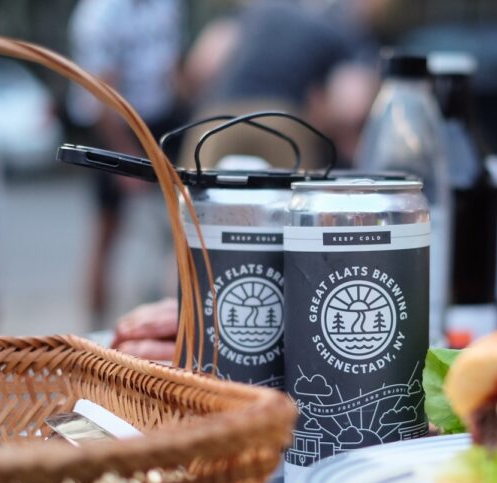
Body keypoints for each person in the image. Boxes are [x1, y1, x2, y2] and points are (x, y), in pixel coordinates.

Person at [68, 0, 186, 327]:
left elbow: (172, 69)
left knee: (180, 224)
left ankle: (175, 316)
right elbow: (103, 96)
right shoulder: (98, 16)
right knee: (107, 230)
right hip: (113, 125)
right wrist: (126, 157)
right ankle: (93, 328)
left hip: (161, 121)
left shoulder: (166, 6)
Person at [178, 0, 384, 169]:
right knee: (289, 211)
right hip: (282, 124)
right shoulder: (342, 28)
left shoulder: (257, 11)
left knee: (191, 210)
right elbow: (351, 105)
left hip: (216, 119)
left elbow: (202, 64)